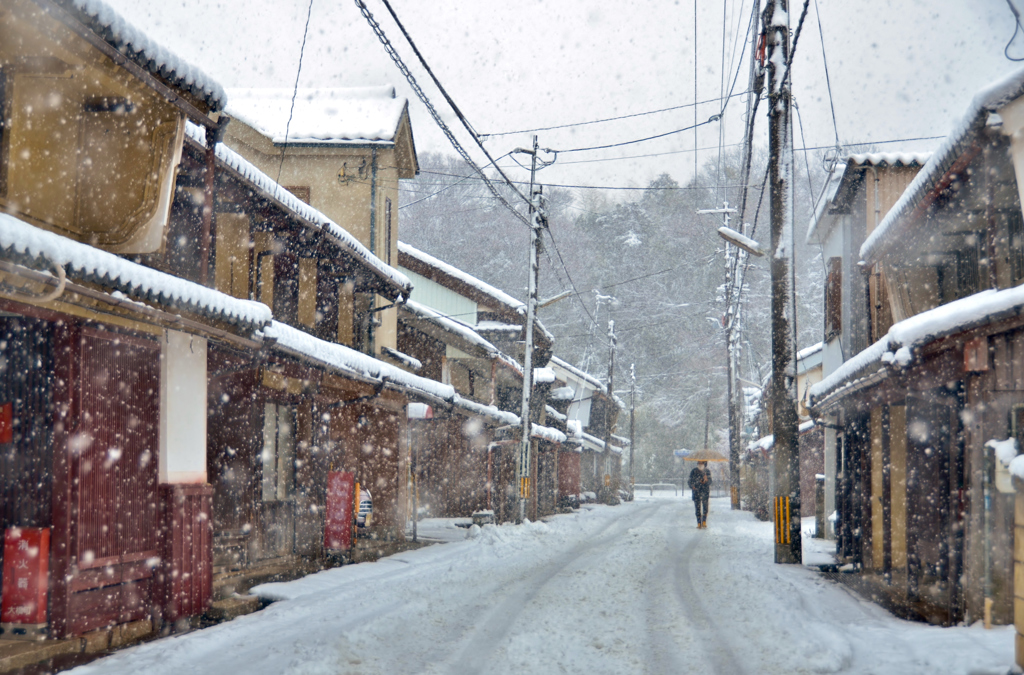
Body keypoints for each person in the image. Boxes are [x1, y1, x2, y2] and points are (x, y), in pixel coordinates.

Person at [688, 460, 712, 528]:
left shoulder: (707, 471)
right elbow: (690, 481)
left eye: (701, 463)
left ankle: (704, 521)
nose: (700, 464)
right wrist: (692, 485)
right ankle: (698, 522)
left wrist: (706, 480)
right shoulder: (694, 471)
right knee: (697, 508)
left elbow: (710, 481)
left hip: (705, 492)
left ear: (704, 464)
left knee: (705, 507)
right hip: (696, 492)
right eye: (698, 463)